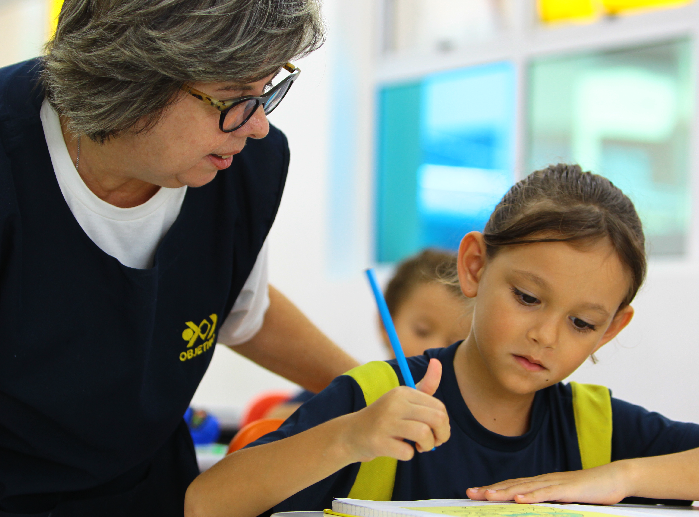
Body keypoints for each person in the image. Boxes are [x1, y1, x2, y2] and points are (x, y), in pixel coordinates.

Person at [0, 1, 358, 516]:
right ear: (130, 77)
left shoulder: (240, 170)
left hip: (156, 493)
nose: (258, 128)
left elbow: (243, 311)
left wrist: (372, 390)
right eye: (235, 98)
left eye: (266, 90)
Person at [183, 164, 699, 517]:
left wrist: (622, 477)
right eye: (526, 297)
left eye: (582, 324)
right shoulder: (374, 399)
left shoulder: (598, 427)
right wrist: (347, 438)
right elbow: (205, 503)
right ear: (475, 267)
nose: (545, 335)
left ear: (611, 328)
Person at [264, 248, 472, 420]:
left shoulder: (468, 412)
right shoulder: (347, 385)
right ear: (385, 324)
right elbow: (272, 421)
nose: (435, 349)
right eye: (422, 331)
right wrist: (357, 412)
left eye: (455, 342)